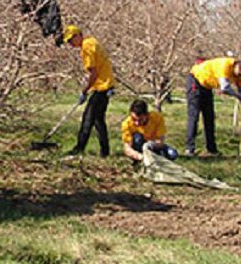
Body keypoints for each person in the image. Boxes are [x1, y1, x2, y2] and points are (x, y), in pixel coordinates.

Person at [62, 24, 116, 157]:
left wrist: (85, 91)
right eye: (68, 41)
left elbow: (94, 72)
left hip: (101, 87)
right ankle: (105, 152)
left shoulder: (86, 47)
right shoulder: (92, 41)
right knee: (98, 121)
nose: (70, 43)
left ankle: (79, 148)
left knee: (88, 119)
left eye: (71, 40)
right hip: (106, 85)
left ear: (78, 35)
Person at [184, 54, 241, 156]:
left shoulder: (240, 74)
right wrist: (238, 96)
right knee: (194, 116)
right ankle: (190, 148)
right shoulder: (224, 65)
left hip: (207, 86)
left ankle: (211, 149)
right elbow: (225, 88)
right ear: (237, 66)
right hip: (196, 80)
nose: (239, 77)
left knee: (209, 117)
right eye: (239, 74)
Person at [121, 98, 178, 163]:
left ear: (146, 115)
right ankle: (137, 161)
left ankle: (158, 157)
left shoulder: (157, 118)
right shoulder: (126, 124)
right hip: (138, 148)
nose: (137, 123)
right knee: (137, 137)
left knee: (173, 154)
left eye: (140, 120)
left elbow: (161, 141)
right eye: (134, 119)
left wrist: (150, 145)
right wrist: (140, 156)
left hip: (154, 145)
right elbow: (127, 148)